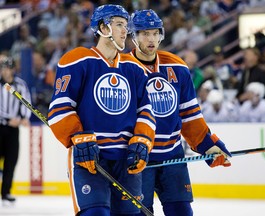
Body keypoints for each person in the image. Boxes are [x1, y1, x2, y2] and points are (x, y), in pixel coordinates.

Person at [47, 5, 156, 216]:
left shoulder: (133, 67)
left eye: (126, 26)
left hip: (127, 160)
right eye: (119, 25)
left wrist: (142, 140)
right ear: (103, 28)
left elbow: (146, 111)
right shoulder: (78, 60)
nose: (125, 31)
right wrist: (77, 136)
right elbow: (59, 107)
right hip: (90, 159)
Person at [129, 9, 232, 216]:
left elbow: (190, 115)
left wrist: (209, 145)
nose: (151, 39)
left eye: (155, 33)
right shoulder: (123, 68)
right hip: (139, 159)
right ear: (134, 36)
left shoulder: (177, 67)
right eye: (144, 33)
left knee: (182, 212)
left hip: (172, 157)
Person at [0, 54, 31, 205]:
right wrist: (7, 119)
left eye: (8, 68)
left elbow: (26, 102)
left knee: (11, 161)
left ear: (12, 69)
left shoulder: (20, 85)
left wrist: (24, 117)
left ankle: (6, 193)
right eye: (3, 68)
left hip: (13, 130)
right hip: (0, 127)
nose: (6, 71)